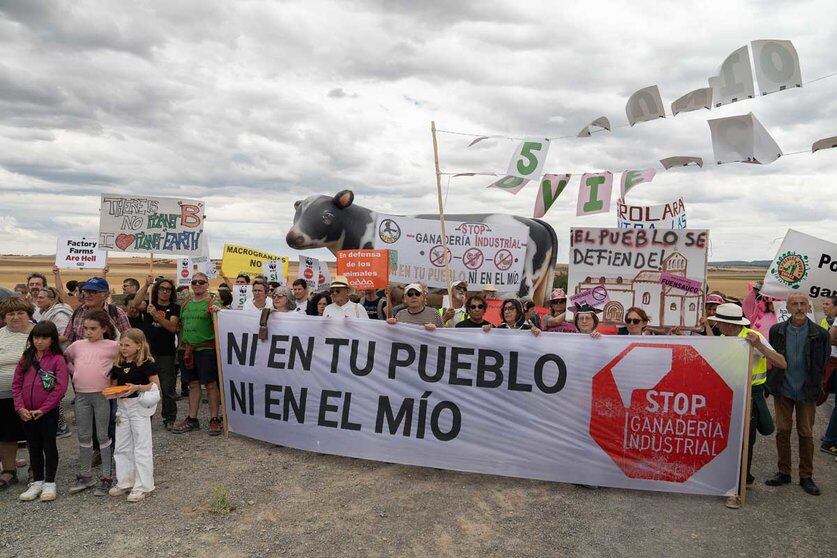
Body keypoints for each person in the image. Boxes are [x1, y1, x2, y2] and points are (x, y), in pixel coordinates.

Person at [706, 303, 786, 508]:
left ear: (727, 324)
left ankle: (738, 490)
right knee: (730, 439)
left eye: (719, 323)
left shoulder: (753, 336)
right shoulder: (725, 338)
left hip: (751, 395)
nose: (718, 326)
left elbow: (781, 363)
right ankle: (741, 478)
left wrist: (758, 346)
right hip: (730, 395)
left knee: (744, 443)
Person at [764, 293, 829, 496]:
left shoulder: (820, 334)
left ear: (808, 307)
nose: (799, 308)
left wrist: (817, 389)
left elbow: (822, 365)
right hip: (783, 388)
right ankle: (784, 472)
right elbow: (774, 358)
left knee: (806, 433)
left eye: (802, 304)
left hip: (807, 390)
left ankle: (806, 476)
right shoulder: (777, 331)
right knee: (783, 431)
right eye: (795, 304)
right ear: (788, 307)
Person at [64, 309, 119, 495]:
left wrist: (111, 376)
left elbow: (124, 360)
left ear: (103, 328)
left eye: (93, 328)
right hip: (81, 395)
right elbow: (65, 359)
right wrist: (75, 372)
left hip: (102, 395)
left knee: (103, 435)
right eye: (86, 328)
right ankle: (85, 475)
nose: (88, 332)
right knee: (84, 435)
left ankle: (106, 477)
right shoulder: (77, 346)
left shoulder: (112, 346)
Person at [12, 321, 69, 502]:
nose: (39, 341)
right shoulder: (27, 356)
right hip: (27, 412)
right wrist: (20, 407)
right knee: (33, 446)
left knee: (48, 445)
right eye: (36, 337)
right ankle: (37, 480)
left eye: (44, 337)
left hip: (47, 412)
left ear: (53, 339)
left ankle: (50, 482)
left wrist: (43, 409)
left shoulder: (57, 359)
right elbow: (17, 383)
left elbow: (60, 387)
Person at [106, 329, 160, 502]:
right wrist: (112, 393)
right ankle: (125, 480)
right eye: (121, 345)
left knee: (141, 445)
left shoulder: (146, 363)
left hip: (138, 405)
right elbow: (113, 385)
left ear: (138, 345)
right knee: (121, 445)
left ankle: (143, 484)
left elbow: (155, 385)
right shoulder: (118, 364)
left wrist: (137, 387)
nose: (123, 348)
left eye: (127, 345)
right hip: (122, 406)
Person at [172, 273, 223, 436]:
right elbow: (181, 326)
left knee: (210, 384)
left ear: (207, 284)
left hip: (205, 350)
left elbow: (221, 320)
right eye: (194, 282)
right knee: (192, 384)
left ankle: (214, 419)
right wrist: (180, 348)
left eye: (201, 282)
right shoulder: (186, 302)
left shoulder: (212, 302)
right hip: (186, 349)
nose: (197, 284)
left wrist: (217, 311)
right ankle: (192, 419)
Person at [130, 276, 180, 431]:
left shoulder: (174, 307)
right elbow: (135, 304)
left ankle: (169, 417)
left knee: (167, 388)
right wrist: (145, 285)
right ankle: (146, 417)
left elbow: (172, 327)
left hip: (166, 353)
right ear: (157, 290)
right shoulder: (149, 305)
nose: (165, 292)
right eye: (162, 288)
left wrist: (156, 316)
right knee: (146, 386)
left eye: (168, 289)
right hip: (148, 354)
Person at [0, 297, 35, 491]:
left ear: (28, 314)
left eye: (20, 313)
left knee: (33, 434)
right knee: (6, 435)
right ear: (4, 317)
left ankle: (35, 469)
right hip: (2, 394)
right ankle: (9, 471)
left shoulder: (38, 335)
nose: (15, 317)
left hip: (31, 394)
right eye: (10, 314)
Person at [33, 286, 73, 437]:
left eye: (42, 297)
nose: (38, 299)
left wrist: (43, 341)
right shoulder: (44, 312)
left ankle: (61, 426)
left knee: (54, 390)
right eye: (37, 297)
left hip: (57, 356)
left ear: (52, 299)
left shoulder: (59, 313)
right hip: (48, 354)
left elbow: (65, 335)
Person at [61, 277, 130, 345]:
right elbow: (67, 337)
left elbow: (128, 340)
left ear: (105, 295)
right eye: (86, 291)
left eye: (93, 292)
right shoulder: (78, 311)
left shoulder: (117, 313)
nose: (87, 295)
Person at [820, 295, 837, 456]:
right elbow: (830, 338)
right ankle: (830, 440)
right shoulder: (832, 321)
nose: (825, 306)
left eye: (827, 304)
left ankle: (830, 436)